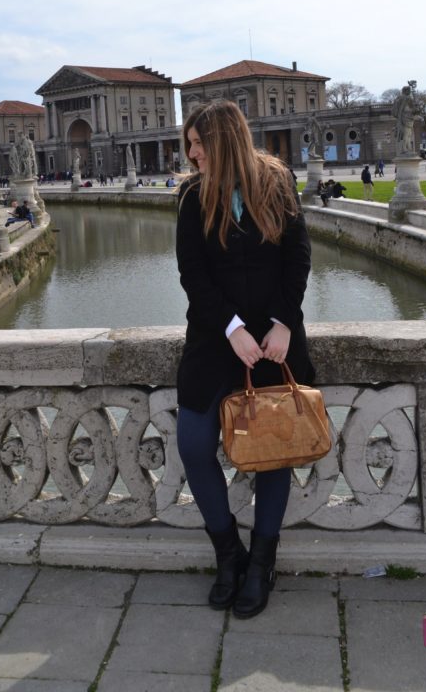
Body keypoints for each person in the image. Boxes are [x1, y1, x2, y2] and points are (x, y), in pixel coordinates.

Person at [175, 100, 313, 620]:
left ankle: (262, 562)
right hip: (216, 339)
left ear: (226, 141)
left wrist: (282, 323)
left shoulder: (277, 182)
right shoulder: (191, 195)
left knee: (275, 451)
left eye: (198, 144)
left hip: (276, 341)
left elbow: (297, 258)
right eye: (189, 144)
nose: (192, 154)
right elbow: (193, 274)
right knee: (193, 443)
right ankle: (228, 553)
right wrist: (232, 329)